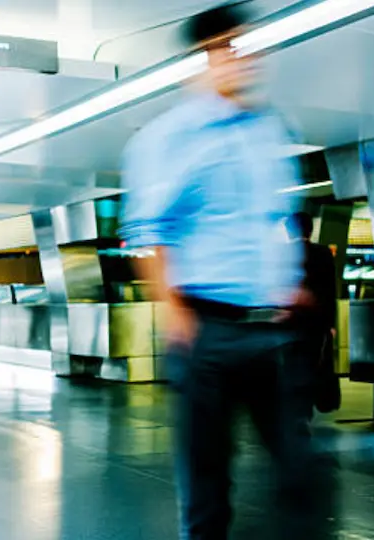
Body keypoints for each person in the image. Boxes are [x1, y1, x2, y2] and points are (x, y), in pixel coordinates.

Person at [119, 3, 320, 539]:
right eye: (226, 47)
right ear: (200, 60)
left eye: (246, 45)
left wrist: (290, 283)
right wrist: (174, 312)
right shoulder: (167, 139)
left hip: (269, 330)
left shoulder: (271, 130)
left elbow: (272, 219)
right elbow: (146, 233)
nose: (240, 57)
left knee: (300, 471)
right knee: (208, 483)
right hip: (206, 329)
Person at [287, 211, 339, 422]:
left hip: (291, 321)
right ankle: (309, 402)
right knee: (315, 362)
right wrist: (331, 324)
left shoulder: (284, 254)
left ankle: (298, 405)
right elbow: (330, 290)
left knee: (293, 364)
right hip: (317, 322)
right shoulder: (324, 253)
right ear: (311, 229)